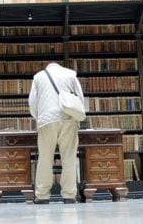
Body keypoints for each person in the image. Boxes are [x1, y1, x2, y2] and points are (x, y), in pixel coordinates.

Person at [28, 61, 84, 204]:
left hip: (47, 120)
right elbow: (80, 98)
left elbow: (32, 102)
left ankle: (42, 195)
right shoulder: (71, 74)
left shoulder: (38, 77)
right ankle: (69, 195)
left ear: (46, 67)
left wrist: (39, 118)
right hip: (68, 118)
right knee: (69, 158)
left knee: (45, 158)